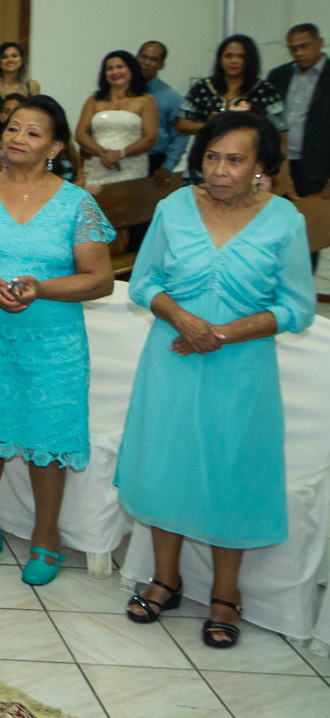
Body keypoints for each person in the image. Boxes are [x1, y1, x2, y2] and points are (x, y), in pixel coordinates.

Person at [115, 113, 315, 647]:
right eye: (211, 157)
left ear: (260, 167)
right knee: (166, 462)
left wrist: (224, 333)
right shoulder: (174, 207)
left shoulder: (283, 220)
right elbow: (143, 282)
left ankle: (227, 595)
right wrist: (182, 319)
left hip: (242, 368)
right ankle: (165, 578)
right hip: (173, 355)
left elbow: (297, 308)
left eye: (235, 159)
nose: (219, 171)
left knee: (233, 469)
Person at [0, 95, 114, 585]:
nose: (17, 138)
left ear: (55, 146)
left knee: (48, 433)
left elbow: (99, 279)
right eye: (12, 128)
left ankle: (46, 536)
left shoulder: (76, 203)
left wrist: (42, 288)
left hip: (52, 341)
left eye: (32, 132)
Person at [75, 50, 159, 186]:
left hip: (131, 166)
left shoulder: (145, 100)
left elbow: (150, 138)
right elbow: (80, 134)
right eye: (109, 68)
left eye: (120, 67)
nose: (115, 72)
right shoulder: (94, 100)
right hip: (98, 164)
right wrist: (103, 154)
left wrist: (120, 153)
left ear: (131, 70)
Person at [177, 35, 287, 137]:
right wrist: (210, 124)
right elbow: (181, 123)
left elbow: (281, 130)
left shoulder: (265, 90)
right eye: (228, 56)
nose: (234, 61)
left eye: (241, 56)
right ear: (220, 59)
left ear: (251, 60)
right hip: (208, 153)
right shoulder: (203, 87)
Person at [267, 23, 329, 200]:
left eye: (304, 46)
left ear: (320, 43)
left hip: (317, 167)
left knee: (314, 221)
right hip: (280, 163)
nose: (299, 53)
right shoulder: (278, 76)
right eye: (293, 49)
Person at [135, 40, 188, 181]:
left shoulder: (171, 97)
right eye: (143, 57)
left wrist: (168, 166)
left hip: (153, 162)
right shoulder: (119, 91)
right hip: (118, 160)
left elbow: (180, 136)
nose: (146, 63)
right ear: (136, 58)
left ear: (161, 65)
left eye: (153, 59)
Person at [0, 41, 40, 118]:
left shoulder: (33, 86)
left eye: (14, 56)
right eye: (4, 57)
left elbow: (36, 115)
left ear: (22, 59)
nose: (10, 60)